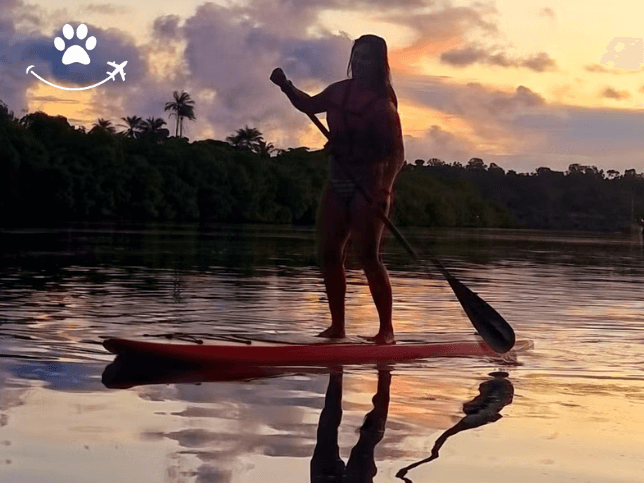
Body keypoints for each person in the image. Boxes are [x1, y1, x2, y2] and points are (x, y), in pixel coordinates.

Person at [271, 34, 404, 344]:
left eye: (367, 58)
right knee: (329, 253)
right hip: (338, 180)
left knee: (368, 257)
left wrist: (383, 191)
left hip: (369, 186)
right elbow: (307, 105)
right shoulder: (337, 91)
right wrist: (286, 86)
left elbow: (397, 155)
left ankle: (386, 330)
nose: (359, 63)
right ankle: (337, 327)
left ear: (378, 64)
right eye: (356, 56)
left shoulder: (383, 106)